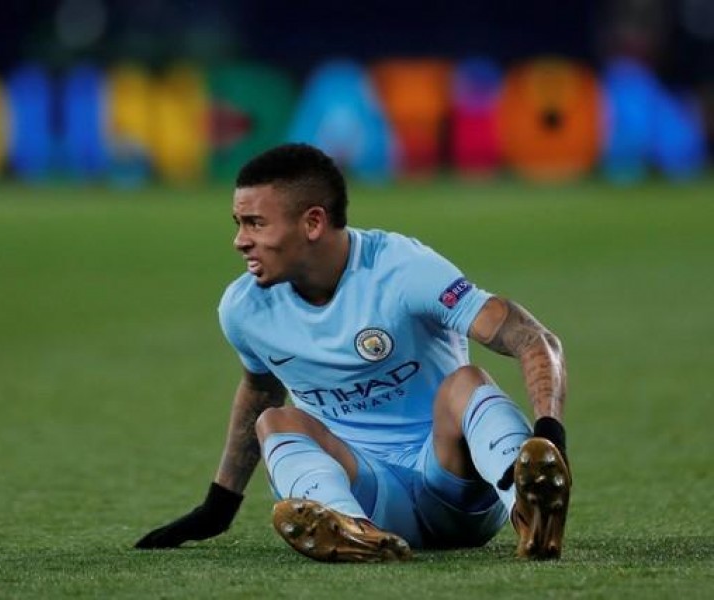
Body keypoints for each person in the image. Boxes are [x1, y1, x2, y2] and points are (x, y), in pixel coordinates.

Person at [135, 143, 571, 562]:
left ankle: (529, 506)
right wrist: (219, 505)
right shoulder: (244, 309)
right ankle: (353, 531)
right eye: (238, 223)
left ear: (312, 223)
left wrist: (549, 435)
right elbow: (259, 393)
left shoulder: (403, 270)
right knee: (275, 420)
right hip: (374, 496)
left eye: (255, 223)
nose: (240, 241)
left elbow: (532, 339)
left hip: (456, 489)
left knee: (466, 383)